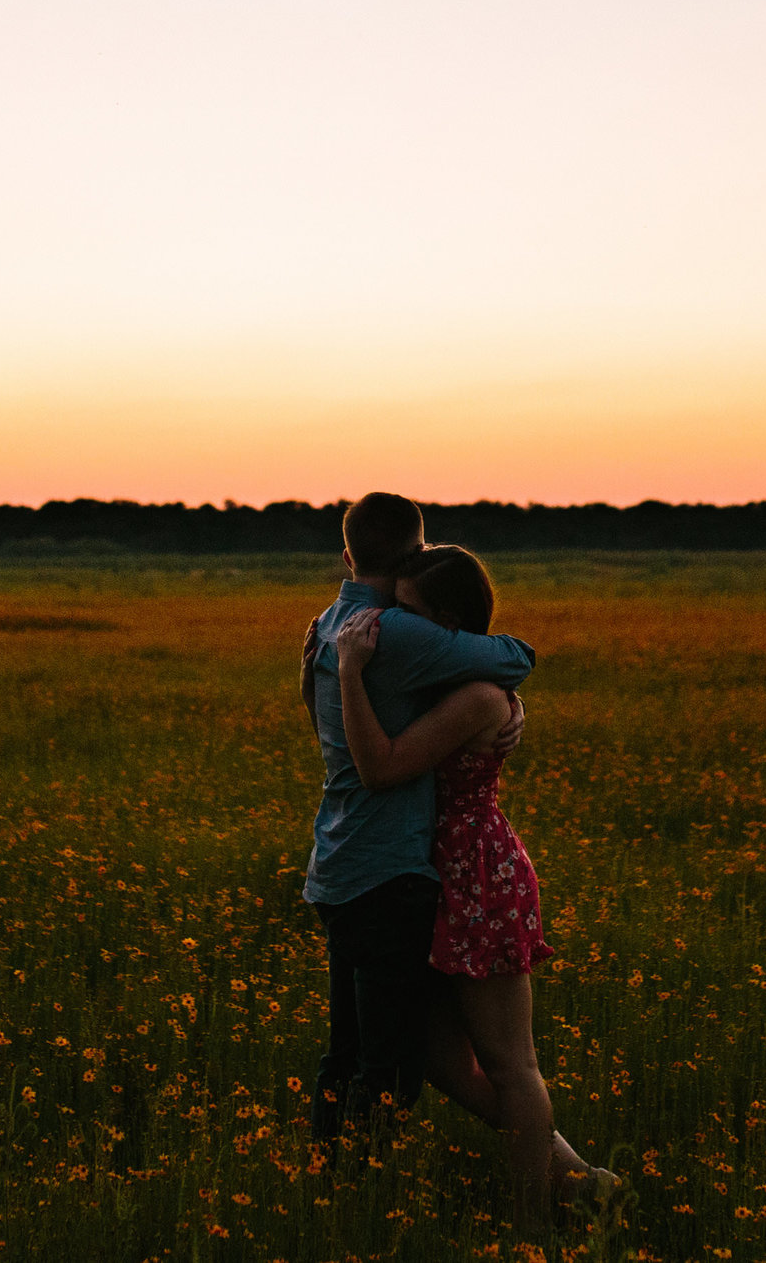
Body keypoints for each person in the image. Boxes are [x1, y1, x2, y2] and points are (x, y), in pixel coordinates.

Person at [297, 495, 601, 1196]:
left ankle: (543, 1198)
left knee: (465, 1059)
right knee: (414, 1058)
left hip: (437, 871)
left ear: (348, 556)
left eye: (423, 613)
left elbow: (480, 689)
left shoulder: (329, 626)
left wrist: (499, 703)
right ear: (409, 551)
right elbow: (513, 656)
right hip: (416, 870)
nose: (412, 622)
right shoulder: (392, 634)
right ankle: (572, 1177)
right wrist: (506, 691)